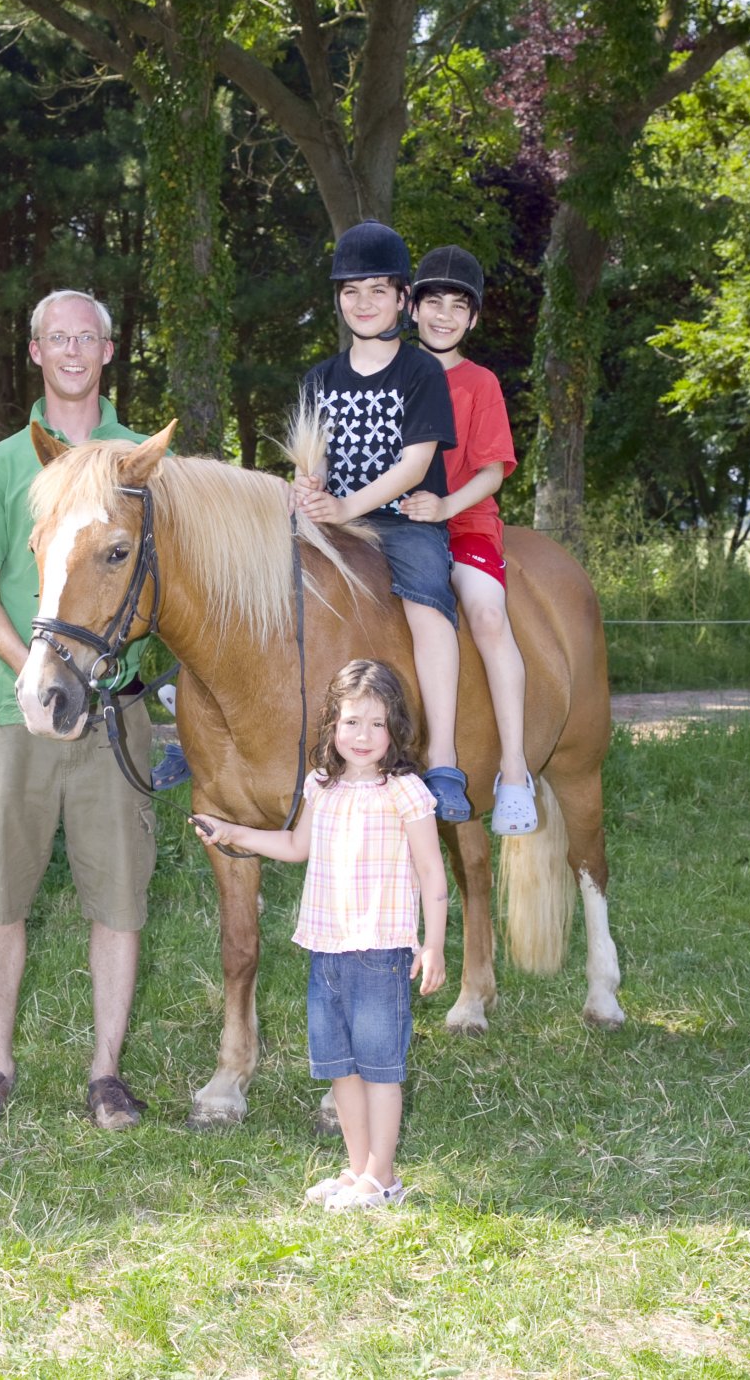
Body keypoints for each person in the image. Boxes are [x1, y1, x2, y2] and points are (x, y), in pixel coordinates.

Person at [0, 288, 158, 1130]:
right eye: (56, 337)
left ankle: (107, 1073)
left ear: (109, 350)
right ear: (34, 351)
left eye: (87, 337)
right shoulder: (4, 464)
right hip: (17, 717)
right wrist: (35, 674)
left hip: (114, 719)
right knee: (0, 901)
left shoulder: (142, 461)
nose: (72, 350)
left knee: (121, 902)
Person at [192, 659, 448, 1210]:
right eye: (352, 722)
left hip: (381, 951)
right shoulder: (322, 785)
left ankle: (383, 1177)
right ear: (332, 723)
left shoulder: (404, 790)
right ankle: (357, 1170)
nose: (363, 736)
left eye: (377, 725)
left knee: (380, 1070)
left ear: (395, 728)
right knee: (340, 1068)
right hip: (326, 950)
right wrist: (231, 830)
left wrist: (435, 944)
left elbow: (432, 873)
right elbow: (293, 847)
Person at [293, 220, 470, 823]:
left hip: (400, 520)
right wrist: (311, 489)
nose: (363, 303)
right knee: (251, 568)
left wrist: (348, 506)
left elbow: (416, 462)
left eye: (377, 290)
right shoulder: (319, 378)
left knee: (428, 600)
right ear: (338, 300)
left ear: (402, 300)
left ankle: (443, 758)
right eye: (351, 291)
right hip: (335, 519)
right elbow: (312, 457)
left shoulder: (420, 372)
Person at [406, 245, 537, 834]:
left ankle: (513, 771)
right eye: (434, 302)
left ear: (474, 319)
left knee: (484, 614)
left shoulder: (480, 383)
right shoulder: (391, 373)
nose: (444, 315)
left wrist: (445, 507)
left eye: (459, 307)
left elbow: (491, 469)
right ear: (412, 307)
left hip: (464, 519)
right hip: (394, 517)